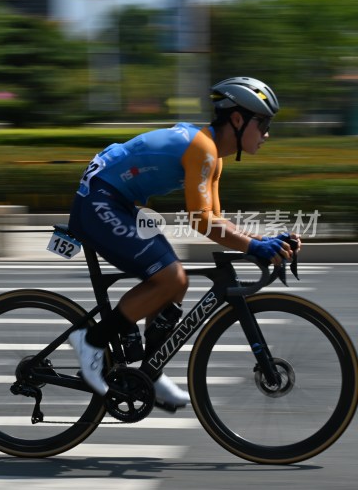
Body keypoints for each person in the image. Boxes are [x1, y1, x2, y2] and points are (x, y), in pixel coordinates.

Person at [67, 76, 299, 409]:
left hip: (120, 201)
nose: (266, 133)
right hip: (99, 199)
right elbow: (201, 221)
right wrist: (254, 247)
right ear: (238, 119)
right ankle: (90, 341)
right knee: (172, 276)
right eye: (262, 123)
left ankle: (150, 372)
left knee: (175, 284)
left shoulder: (213, 156)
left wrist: (265, 241)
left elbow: (216, 220)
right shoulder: (203, 149)